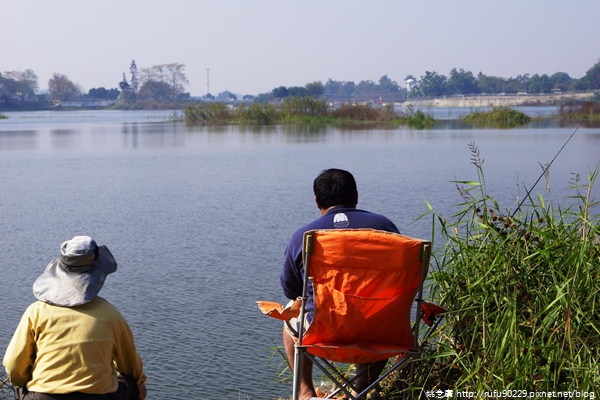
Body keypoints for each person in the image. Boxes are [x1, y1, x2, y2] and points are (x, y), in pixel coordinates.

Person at [280, 169, 400, 400]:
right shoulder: (385, 228)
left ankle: (306, 394)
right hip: (379, 330)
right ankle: (360, 390)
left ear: (316, 201)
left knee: (289, 321)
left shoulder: (303, 237)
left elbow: (291, 290)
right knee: (381, 313)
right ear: (356, 196)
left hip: (323, 332)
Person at [3, 236, 147, 400]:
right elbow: (132, 370)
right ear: (98, 273)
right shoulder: (112, 316)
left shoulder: (36, 312)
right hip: (96, 398)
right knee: (135, 386)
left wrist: (25, 381)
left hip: (42, 397)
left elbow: (13, 365)